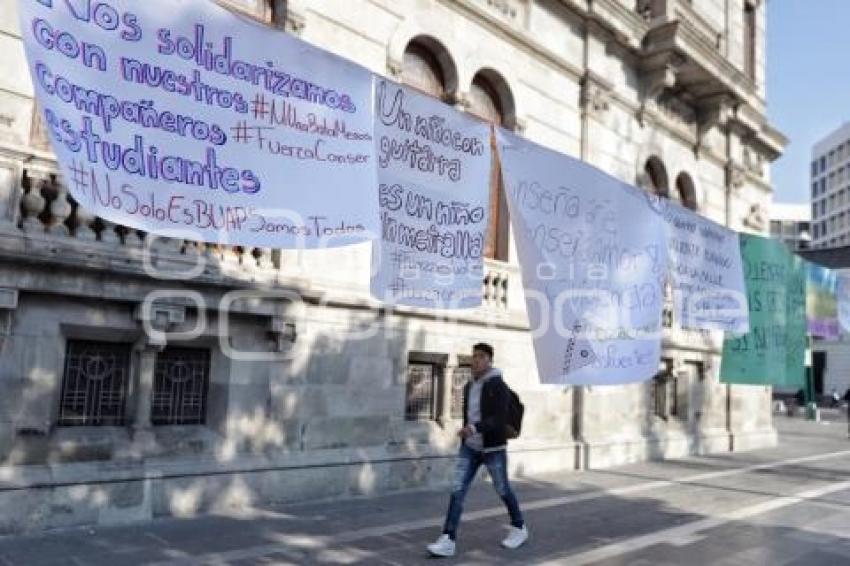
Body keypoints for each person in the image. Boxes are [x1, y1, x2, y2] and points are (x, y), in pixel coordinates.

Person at [426, 343, 527, 558]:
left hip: (493, 448)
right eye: (474, 357)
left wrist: (474, 428)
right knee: (457, 491)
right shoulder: (469, 386)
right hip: (470, 449)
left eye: (481, 357)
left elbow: (499, 419)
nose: (476, 360)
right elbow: (470, 415)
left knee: (503, 489)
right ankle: (448, 539)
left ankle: (519, 527)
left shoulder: (497, 385)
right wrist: (468, 433)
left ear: (489, 360)